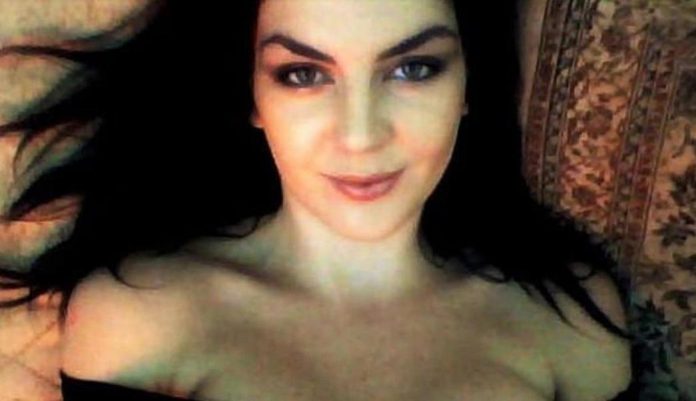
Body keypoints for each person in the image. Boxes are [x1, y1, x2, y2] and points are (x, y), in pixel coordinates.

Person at [0, 1, 638, 399]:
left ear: (469, 84)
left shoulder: (569, 322)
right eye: (303, 75)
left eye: (414, 68)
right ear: (254, 97)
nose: (360, 136)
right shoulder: (139, 319)